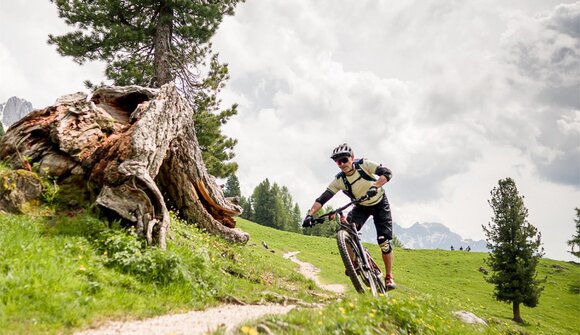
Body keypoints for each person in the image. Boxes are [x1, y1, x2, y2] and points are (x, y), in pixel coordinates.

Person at [302, 143, 397, 290]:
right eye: (338, 162)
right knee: (346, 230)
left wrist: (375, 186)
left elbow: (387, 173)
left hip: (379, 204)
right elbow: (322, 199)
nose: (342, 164)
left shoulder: (364, 164)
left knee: (383, 241)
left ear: (352, 158)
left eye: (344, 160)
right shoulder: (339, 180)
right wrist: (309, 215)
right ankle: (353, 262)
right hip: (361, 206)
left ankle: (389, 277)